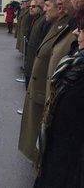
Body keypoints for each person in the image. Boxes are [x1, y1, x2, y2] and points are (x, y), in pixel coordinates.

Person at [34, 25, 84, 186]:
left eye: (82, 29)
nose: (76, 32)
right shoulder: (75, 63)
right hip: (58, 149)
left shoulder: (77, 70)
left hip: (68, 161)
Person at [18, 0, 62, 163]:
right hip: (34, 69)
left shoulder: (53, 23)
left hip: (44, 84)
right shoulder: (41, 19)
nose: (40, 7)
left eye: (42, 3)